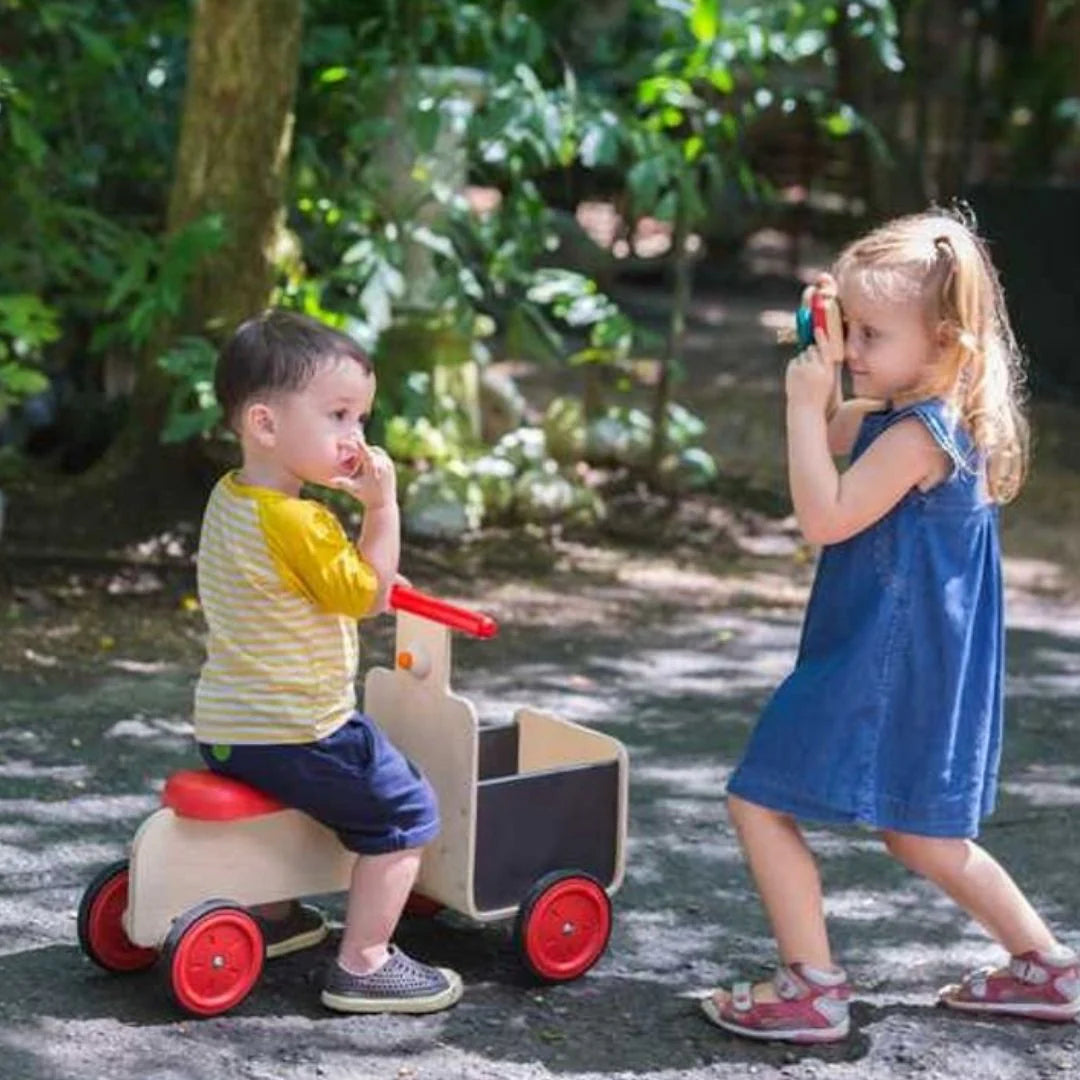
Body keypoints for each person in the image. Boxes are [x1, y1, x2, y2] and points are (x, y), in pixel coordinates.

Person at [701, 210, 1079, 1043]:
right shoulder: (909, 405)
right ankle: (1047, 967)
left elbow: (825, 514)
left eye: (874, 333)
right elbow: (840, 429)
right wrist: (832, 366)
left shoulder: (921, 435)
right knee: (921, 832)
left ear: (944, 342)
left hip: (882, 661)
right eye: (853, 328)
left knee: (757, 800)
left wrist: (804, 406)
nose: (857, 348)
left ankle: (811, 986)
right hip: (907, 659)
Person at [193, 308, 462, 1015]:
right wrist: (382, 511)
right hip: (299, 727)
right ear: (266, 425)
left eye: (361, 420)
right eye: (340, 415)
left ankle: (273, 915)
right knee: (406, 808)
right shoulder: (302, 522)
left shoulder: (233, 498)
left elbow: (301, 583)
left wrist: (355, 559)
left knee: (300, 796)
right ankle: (364, 961)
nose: (357, 439)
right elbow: (368, 599)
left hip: (227, 726)